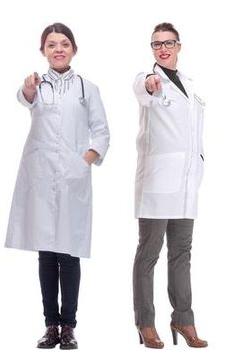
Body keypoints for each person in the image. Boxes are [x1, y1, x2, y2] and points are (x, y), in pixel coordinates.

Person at [4, 22, 109, 350]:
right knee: (46, 253)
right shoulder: (36, 86)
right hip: (40, 178)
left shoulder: (87, 88)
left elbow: (102, 131)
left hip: (72, 179)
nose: (58, 49)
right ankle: (51, 325)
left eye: (64, 43)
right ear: (43, 51)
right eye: (51, 44)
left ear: (74, 49)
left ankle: (69, 326)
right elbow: (23, 98)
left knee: (69, 254)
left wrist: (86, 160)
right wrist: (29, 91)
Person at [131, 22, 208, 349]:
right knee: (148, 254)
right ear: (152, 49)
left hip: (188, 184)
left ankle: (184, 319)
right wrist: (150, 82)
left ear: (179, 46)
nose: (163, 48)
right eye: (157, 44)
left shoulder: (190, 86)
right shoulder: (148, 80)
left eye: (169, 43)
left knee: (182, 254)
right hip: (157, 183)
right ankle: (145, 324)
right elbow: (143, 87)